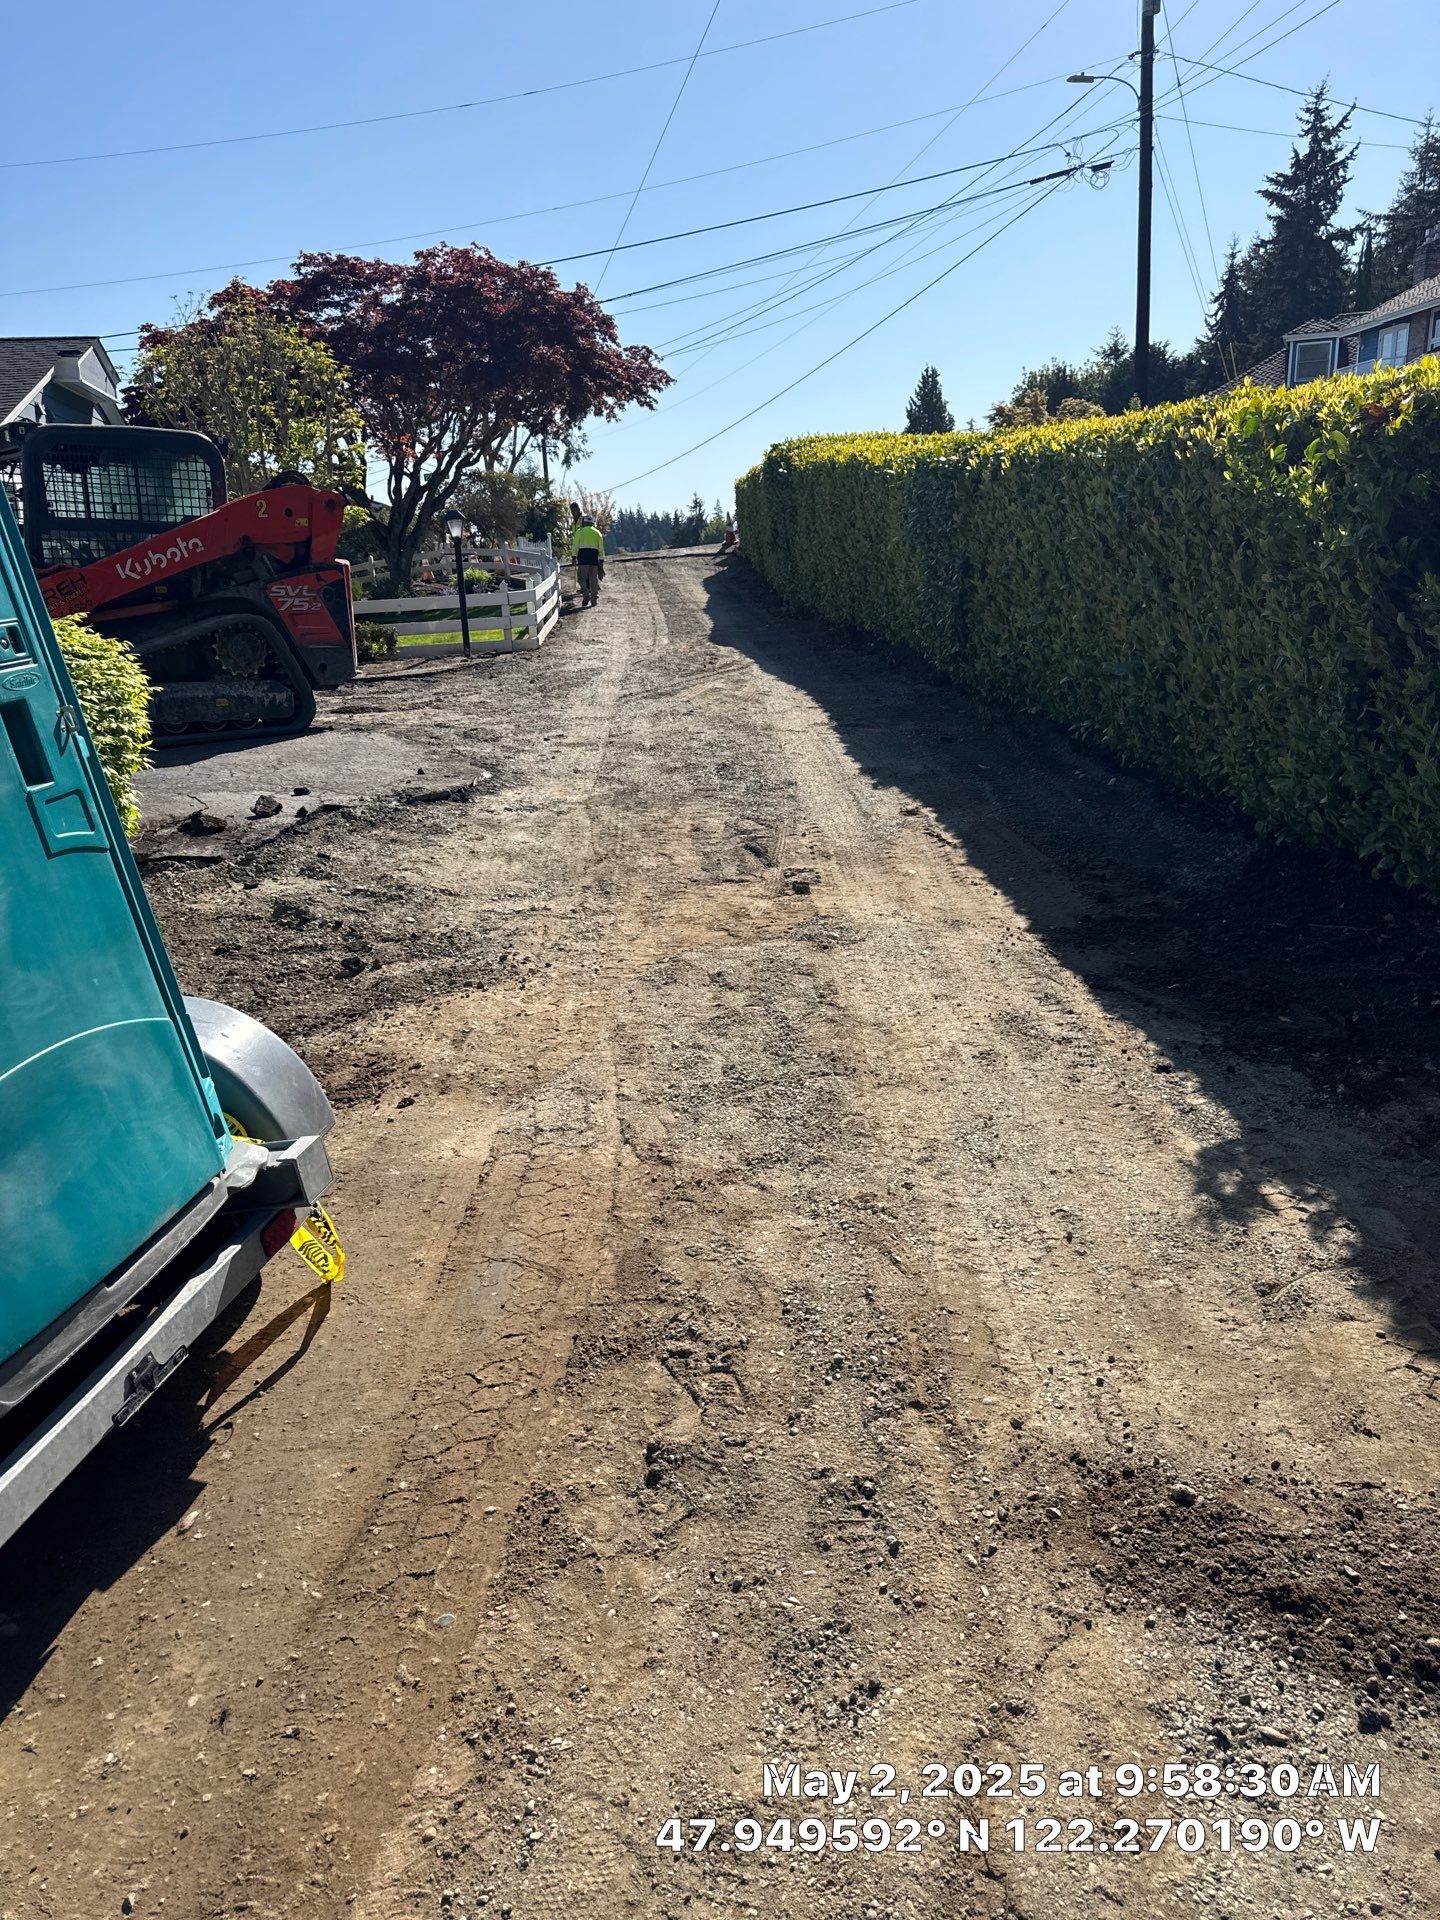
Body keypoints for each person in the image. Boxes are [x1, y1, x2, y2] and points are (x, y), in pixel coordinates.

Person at [574, 513, 605, 607]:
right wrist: (601, 560)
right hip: (593, 559)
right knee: (593, 579)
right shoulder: (597, 533)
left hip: (583, 558)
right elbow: (601, 548)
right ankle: (594, 599)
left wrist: (573, 556)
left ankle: (586, 594)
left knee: (581, 579)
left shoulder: (579, 531)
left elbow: (575, 545)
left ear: (584, 522)